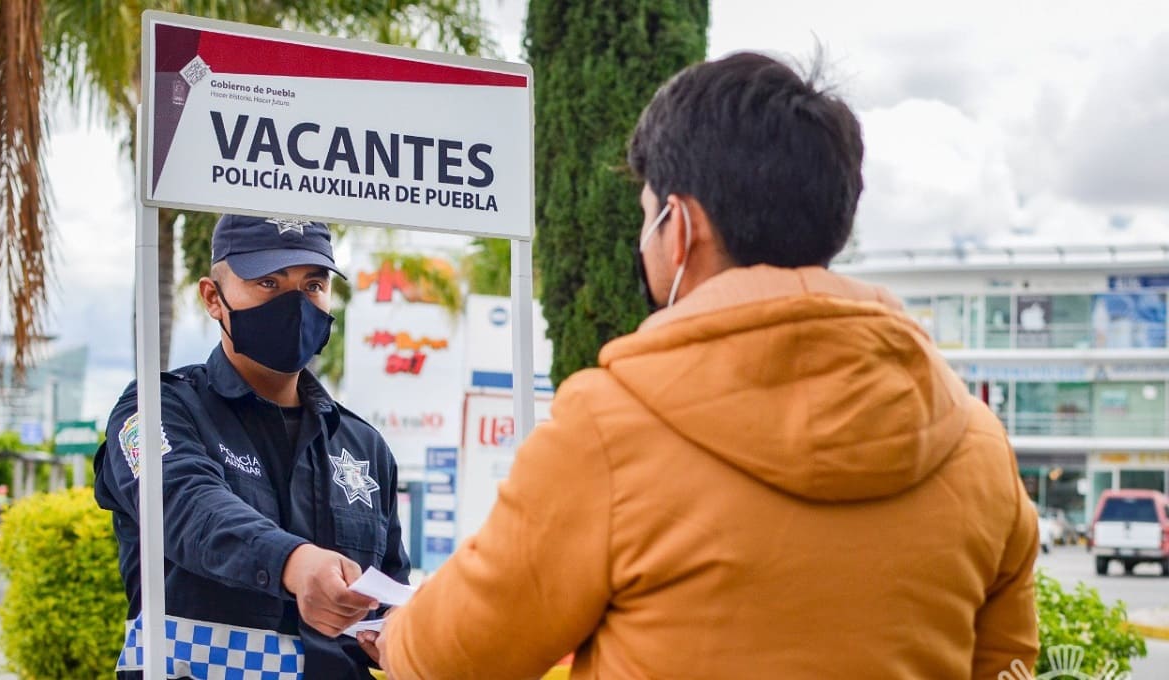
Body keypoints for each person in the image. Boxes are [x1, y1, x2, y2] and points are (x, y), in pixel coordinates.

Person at [374, 52, 1039, 678]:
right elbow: (1007, 660)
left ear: (681, 226)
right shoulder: (980, 446)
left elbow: (455, 655)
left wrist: (397, 629)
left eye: (645, 217)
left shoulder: (608, 429)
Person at [95, 214, 409, 679]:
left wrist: (398, 634)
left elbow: (388, 591)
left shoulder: (365, 446)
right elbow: (182, 503)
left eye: (313, 285)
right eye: (268, 282)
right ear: (212, 297)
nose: (296, 304)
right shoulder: (158, 409)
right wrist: (293, 563)